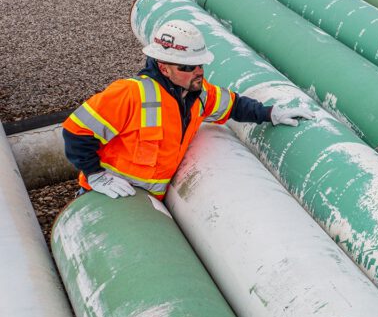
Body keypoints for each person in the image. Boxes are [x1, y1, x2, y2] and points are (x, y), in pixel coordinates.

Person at [63, 20, 313, 199]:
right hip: (110, 192)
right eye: (188, 67)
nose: (198, 72)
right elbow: (76, 131)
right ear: (164, 68)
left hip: (151, 198)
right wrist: (95, 174)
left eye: (199, 65)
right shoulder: (130, 94)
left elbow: (234, 105)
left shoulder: (198, 93)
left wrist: (270, 114)